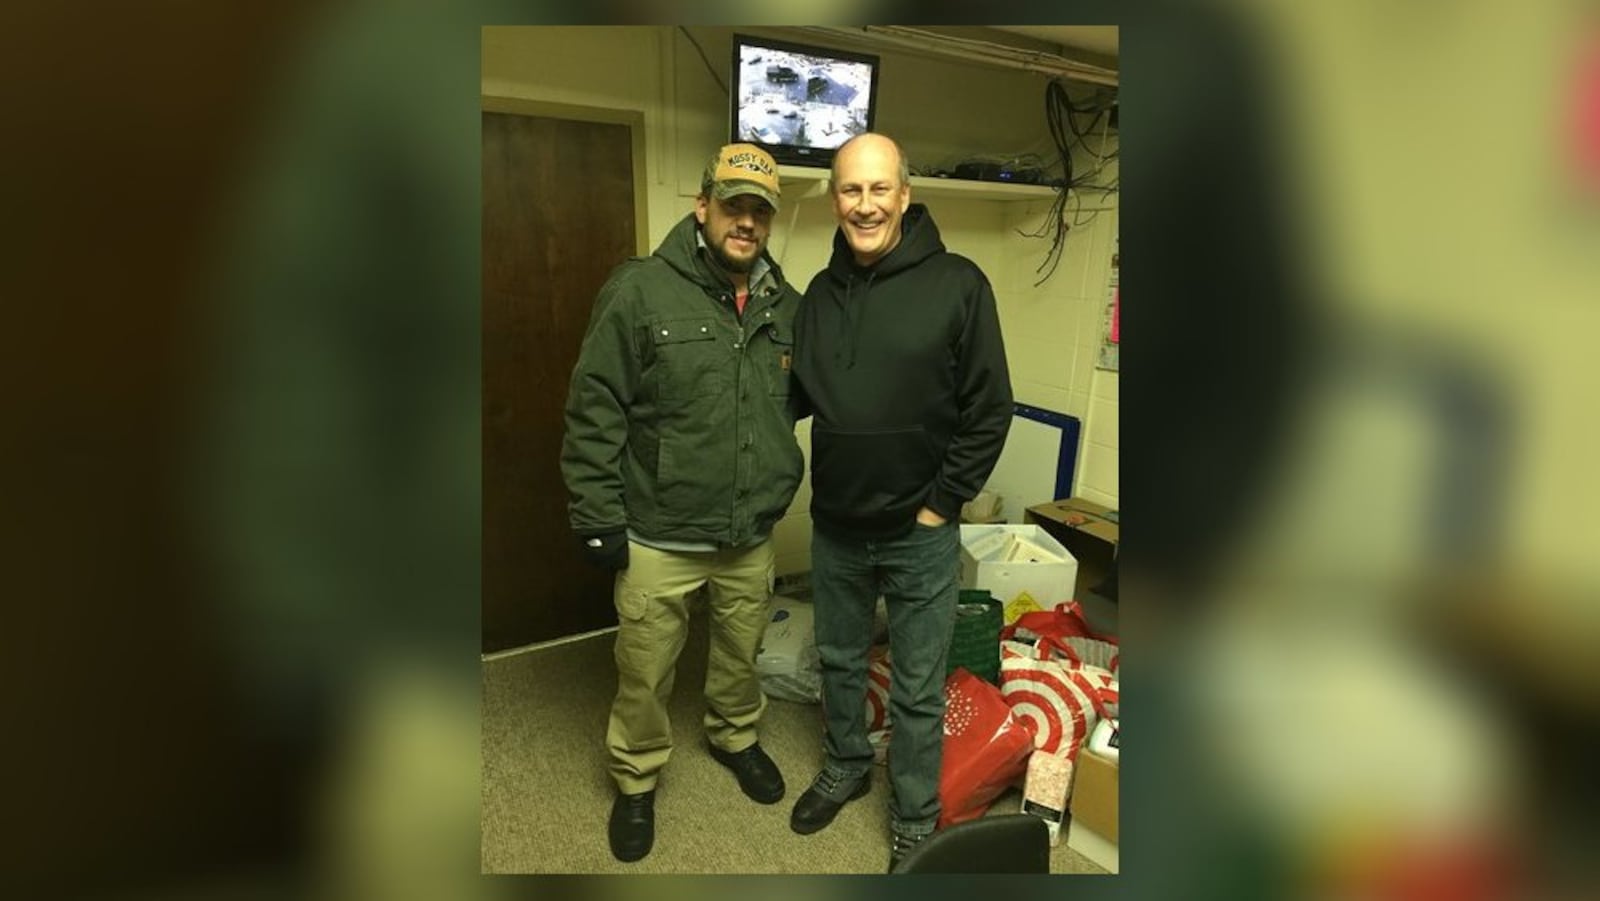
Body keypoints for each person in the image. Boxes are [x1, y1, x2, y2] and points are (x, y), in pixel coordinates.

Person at [560, 143, 805, 864]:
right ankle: (635, 778)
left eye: (760, 210)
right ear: (703, 206)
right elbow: (593, 406)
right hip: (660, 532)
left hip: (748, 530)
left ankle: (735, 737)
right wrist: (596, 512)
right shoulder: (640, 290)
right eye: (734, 205)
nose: (747, 221)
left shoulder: (784, 305)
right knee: (645, 666)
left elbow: (797, 402)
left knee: (739, 652)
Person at [787, 133, 1014, 872]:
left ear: (906, 196)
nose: (865, 204)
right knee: (840, 662)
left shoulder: (959, 283)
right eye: (851, 190)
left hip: (920, 531)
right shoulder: (819, 295)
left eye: (880, 189)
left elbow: (990, 408)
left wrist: (941, 505)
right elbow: (799, 395)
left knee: (918, 688)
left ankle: (915, 819)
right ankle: (847, 764)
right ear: (835, 200)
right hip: (837, 527)